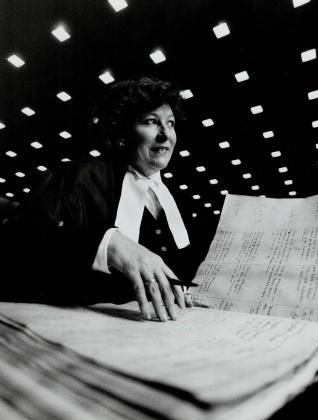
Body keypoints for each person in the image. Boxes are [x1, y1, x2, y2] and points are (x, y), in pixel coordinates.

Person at [0, 76, 213, 321]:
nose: (166, 134)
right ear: (121, 134)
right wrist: (107, 243)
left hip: (155, 330)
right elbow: (12, 248)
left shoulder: (174, 198)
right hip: (79, 327)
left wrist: (179, 291)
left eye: (171, 123)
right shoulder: (73, 176)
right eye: (151, 122)